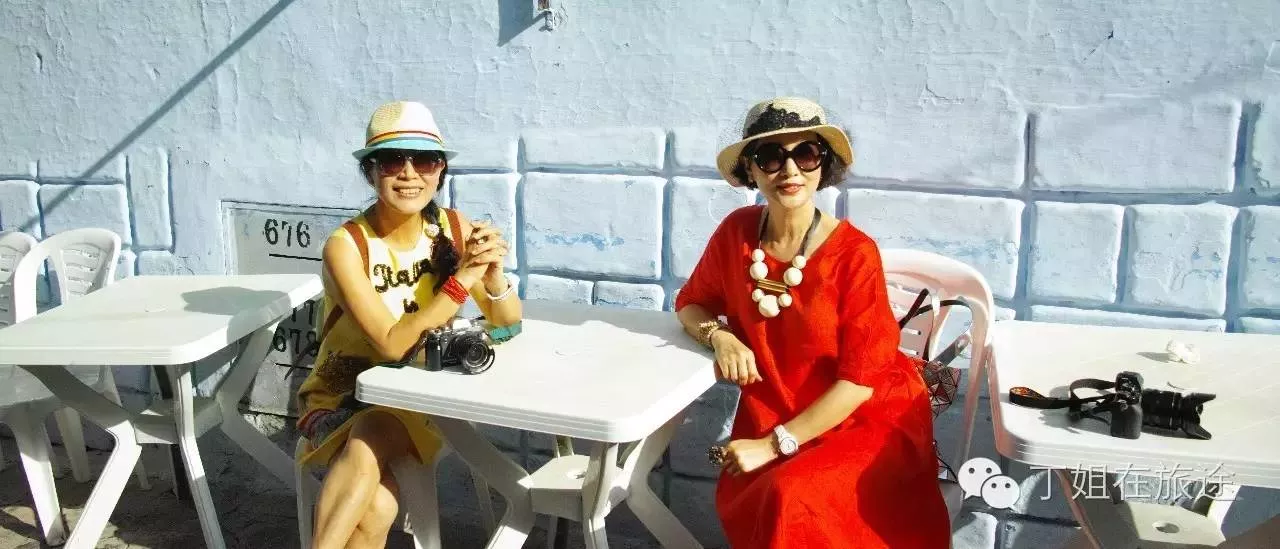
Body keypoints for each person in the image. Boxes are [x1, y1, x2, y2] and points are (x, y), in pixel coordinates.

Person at [674, 97, 951, 548]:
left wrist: (773, 444)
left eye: (805, 153)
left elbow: (859, 383)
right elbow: (691, 304)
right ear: (750, 169)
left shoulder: (854, 254)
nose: (790, 170)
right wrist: (720, 336)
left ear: (824, 164)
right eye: (770, 156)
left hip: (865, 418)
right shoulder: (736, 233)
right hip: (777, 407)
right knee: (772, 495)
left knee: (792, 497)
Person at [294, 100, 522, 549]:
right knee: (377, 503)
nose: (409, 173)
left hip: (425, 392)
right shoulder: (347, 246)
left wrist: (493, 275)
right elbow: (391, 344)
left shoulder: (453, 229)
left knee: (375, 441)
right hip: (345, 393)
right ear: (371, 172)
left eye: (425, 160)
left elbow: (508, 323)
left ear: (441, 171)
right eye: (392, 160)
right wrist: (461, 282)